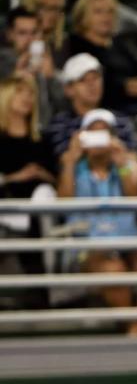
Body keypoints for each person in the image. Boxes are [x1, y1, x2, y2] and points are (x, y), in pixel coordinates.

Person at [56, 109, 137, 336]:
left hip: (128, 240)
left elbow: (136, 199)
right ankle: (135, 329)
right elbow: (63, 203)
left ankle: (135, 329)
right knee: (113, 269)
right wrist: (70, 160)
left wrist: (123, 163)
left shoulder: (126, 164)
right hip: (90, 244)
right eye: (92, 133)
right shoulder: (72, 167)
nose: (99, 139)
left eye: (104, 133)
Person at [0, 75, 55, 309]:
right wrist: (15, 177)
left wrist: (42, 175)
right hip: (6, 201)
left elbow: (58, 179)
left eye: (31, 93)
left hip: (38, 206)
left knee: (41, 200)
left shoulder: (41, 139)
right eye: (21, 92)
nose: (27, 98)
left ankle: (40, 295)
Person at [66, 0, 137, 114]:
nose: (106, 17)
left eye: (110, 12)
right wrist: (124, 87)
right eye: (98, 12)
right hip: (105, 108)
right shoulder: (76, 45)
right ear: (83, 16)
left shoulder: (119, 43)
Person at [44, 53, 137, 159]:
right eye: (83, 80)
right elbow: (60, 167)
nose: (92, 84)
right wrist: (74, 153)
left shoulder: (120, 121)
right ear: (68, 89)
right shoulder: (59, 125)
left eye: (96, 78)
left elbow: (133, 166)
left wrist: (122, 158)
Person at [0, 6, 64, 127]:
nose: (30, 40)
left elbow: (66, 107)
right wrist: (16, 77)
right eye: (22, 33)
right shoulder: (3, 65)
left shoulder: (48, 64)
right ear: (10, 35)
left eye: (34, 32)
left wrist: (52, 78)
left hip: (44, 135)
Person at [21, 0, 67, 65]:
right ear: (32, 9)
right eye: (47, 8)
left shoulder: (64, 43)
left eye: (56, 9)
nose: (53, 14)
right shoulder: (19, 39)